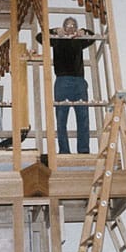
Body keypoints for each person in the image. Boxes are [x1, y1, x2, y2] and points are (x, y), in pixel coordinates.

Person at [36, 17, 95, 154]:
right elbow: (40, 37)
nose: (70, 27)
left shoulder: (79, 41)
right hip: (62, 82)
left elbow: (92, 37)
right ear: (63, 27)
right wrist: (55, 31)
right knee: (61, 119)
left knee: (83, 117)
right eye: (67, 25)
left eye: (73, 25)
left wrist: (83, 31)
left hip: (79, 82)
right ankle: (64, 151)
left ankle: (84, 150)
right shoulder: (57, 39)